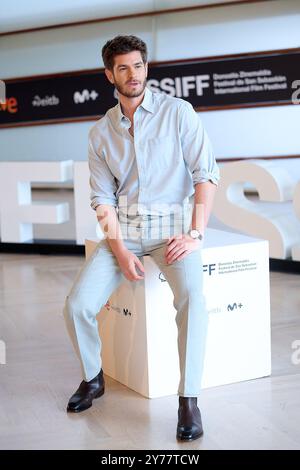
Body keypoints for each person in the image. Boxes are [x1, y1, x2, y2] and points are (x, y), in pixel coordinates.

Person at [63, 35, 220, 442]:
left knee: (193, 303)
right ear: (108, 74)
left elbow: (205, 175)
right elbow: (102, 199)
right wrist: (118, 248)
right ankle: (94, 377)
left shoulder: (178, 112)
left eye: (138, 65)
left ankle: (189, 400)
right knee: (78, 304)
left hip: (174, 227)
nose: (132, 74)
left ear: (146, 68)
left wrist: (196, 233)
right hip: (126, 230)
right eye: (122, 68)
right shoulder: (100, 133)